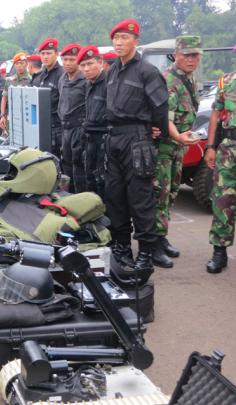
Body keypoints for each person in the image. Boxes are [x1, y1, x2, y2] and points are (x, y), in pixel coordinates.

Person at [105, 19, 169, 273]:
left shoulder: (147, 71)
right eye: (116, 38)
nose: (119, 42)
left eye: (124, 37)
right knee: (115, 197)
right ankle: (121, 247)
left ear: (136, 41)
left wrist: (155, 135)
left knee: (140, 199)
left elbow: (161, 109)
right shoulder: (111, 71)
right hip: (114, 138)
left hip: (137, 139)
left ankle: (145, 253)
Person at [152, 36, 203, 268]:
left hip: (179, 147)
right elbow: (165, 117)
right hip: (165, 147)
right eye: (187, 55)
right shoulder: (168, 80)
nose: (192, 59)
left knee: (171, 193)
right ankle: (152, 243)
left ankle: (161, 238)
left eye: (195, 55)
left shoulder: (189, 80)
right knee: (159, 194)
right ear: (177, 54)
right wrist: (178, 136)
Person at [204, 64, 236, 273]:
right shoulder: (227, 80)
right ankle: (219, 251)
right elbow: (216, 114)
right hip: (228, 150)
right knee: (222, 199)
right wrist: (211, 146)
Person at [77, 45, 108, 199]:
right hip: (90, 140)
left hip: (105, 140)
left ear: (100, 62)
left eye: (90, 64)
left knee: (103, 181)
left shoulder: (109, 83)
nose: (86, 69)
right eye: (83, 65)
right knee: (90, 178)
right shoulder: (89, 84)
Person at [58, 43, 87, 192]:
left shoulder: (85, 80)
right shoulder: (62, 79)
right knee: (66, 164)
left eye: (71, 59)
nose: (68, 63)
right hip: (66, 129)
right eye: (65, 60)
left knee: (79, 166)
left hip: (79, 129)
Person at [32, 38, 64, 158]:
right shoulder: (39, 76)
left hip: (57, 128)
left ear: (56, 54)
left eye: (49, 53)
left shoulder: (62, 75)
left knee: (55, 162)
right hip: (41, 125)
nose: (45, 57)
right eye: (43, 53)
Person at [0, 52, 31, 131]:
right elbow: (4, 98)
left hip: (27, 118)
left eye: (21, 63)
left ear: (26, 64)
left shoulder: (31, 79)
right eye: (17, 63)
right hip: (11, 117)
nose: (19, 66)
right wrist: (2, 115)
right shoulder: (9, 80)